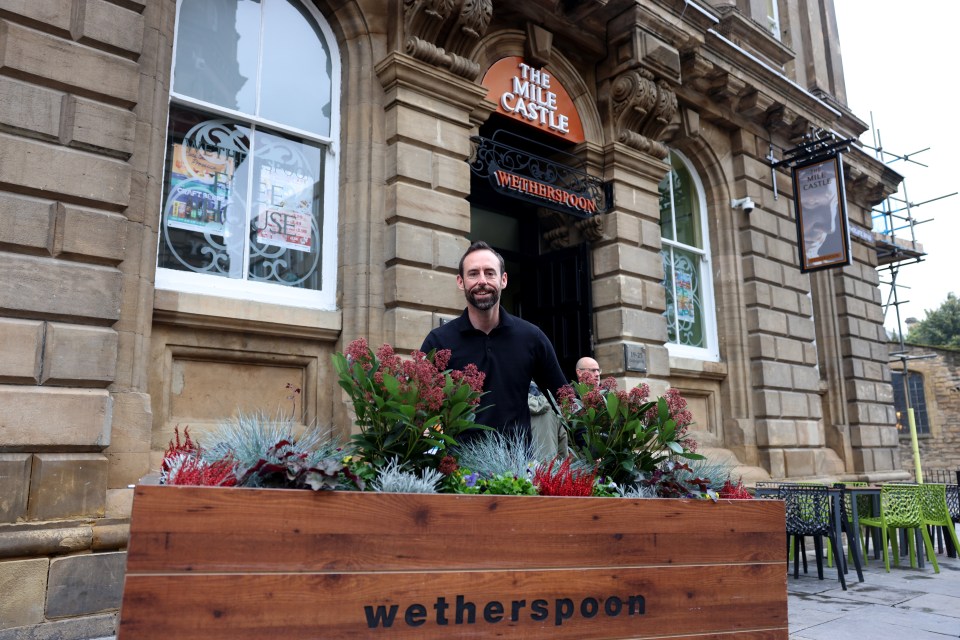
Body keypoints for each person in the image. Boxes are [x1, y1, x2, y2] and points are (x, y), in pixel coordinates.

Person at [421, 240, 567, 443]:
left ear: (503, 280)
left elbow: (564, 398)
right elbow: (421, 410)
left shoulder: (531, 337)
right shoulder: (439, 341)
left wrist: (593, 450)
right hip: (458, 470)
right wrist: (430, 457)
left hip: (516, 471)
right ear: (461, 282)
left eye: (490, 273)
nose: (482, 281)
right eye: (473, 274)